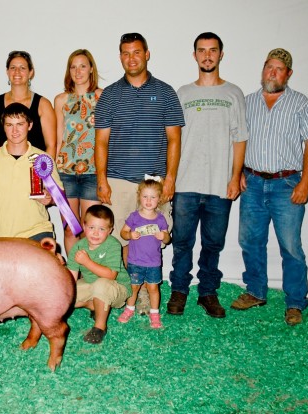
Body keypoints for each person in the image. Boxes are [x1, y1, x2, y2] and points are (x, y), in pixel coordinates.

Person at [231, 48, 308, 326]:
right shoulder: (246, 102)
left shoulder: (300, 103)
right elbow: (236, 141)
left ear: (288, 74)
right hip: (254, 183)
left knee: (291, 246)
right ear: (262, 69)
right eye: (268, 67)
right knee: (250, 240)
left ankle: (295, 302)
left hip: (287, 183)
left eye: (279, 68)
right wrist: (237, 173)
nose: (272, 72)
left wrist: (305, 181)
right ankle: (256, 291)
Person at [95, 32, 184, 314]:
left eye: (136, 52)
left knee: (151, 239)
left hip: (154, 183)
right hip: (118, 180)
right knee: (125, 240)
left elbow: (174, 140)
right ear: (120, 56)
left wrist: (170, 179)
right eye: (125, 53)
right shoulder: (109, 95)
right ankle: (132, 294)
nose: (131, 58)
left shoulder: (167, 92)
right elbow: (101, 142)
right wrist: (101, 180)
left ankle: (149, 293)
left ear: (147, 54)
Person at [167, 32, 248, 319]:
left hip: (219, 185)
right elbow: (173, 140)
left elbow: (240, 139)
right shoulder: (184, 94)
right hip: (186, 183)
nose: (207, 55)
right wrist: (171, 178)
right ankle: (179, 290)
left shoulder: (233, 93)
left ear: (221, 55)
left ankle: (208, 292)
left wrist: (234, 176)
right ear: (195, 55)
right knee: (182, 242)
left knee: (213, 243)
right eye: (202, 50)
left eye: (213, 50)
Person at [0, 103, 61, 241]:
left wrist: (50, 199)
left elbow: (59, 198)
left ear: (30, 125)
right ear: (3, 127)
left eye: (20, 124)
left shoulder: (43, 159)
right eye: (9, 125)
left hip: (37, 233)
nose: (14, 130)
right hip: (1, 236)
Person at [54, 49, 103, 254]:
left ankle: (90, 277)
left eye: (83, 66)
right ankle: (74, 277)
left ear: (91, 69)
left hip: (93, 172)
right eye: (73, 67)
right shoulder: (61, 100)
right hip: (66, 173)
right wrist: (54, 173)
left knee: (91, 230)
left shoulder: (102, 97)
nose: (78, 71)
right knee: (70, 230)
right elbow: (59, 137)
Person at [66, 205, 131, 344]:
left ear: (110, 230)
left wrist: (87, 262)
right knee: (64, 295)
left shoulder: (113, 244)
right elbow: (71, 277)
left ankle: (100, 327)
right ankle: (92, 304)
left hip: (116, 287)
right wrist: (66, 294)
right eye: (91, 228)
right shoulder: (78, 246)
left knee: (101, 284)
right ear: (84, 226)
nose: (95, 233)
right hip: (91, 284)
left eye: (101, 229)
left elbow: (111, 275)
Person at [0, 51, 57, 160]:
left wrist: (43, 173)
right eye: (13, 67)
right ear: (7, 72)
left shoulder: (43, 105)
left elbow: (51, 145)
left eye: (22, 68)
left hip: (34, 169)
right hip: (2, 167)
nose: (17, 72)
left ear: (31, 72)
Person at [117, 178, 170, 329]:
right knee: (133, 287)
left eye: (153, 197)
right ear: (139, 196)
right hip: (135, 261)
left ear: (159, 199)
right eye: (145, 196)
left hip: (153, 263)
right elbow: (123, 233)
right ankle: (129, 309)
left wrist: (163, 236)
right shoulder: (134, 216)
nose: (148, 200)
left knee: (153, 288)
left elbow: (167, 239)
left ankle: (154, 313)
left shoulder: (160, 219)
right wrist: (129, 235)